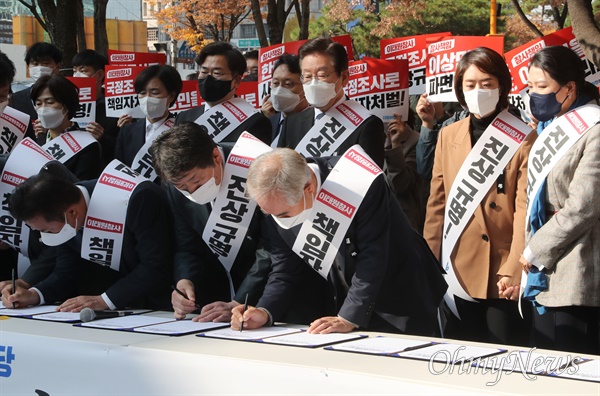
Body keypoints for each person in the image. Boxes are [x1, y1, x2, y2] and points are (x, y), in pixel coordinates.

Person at [231, 148, 447, 335]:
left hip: (400, 293)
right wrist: (265, 311)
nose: (278, 220)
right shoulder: (276, 202)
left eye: (285, 214)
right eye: (269, 213)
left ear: (309, 190)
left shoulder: (357, 181)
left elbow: (374, 254)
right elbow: (285, 268)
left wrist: (349, 317)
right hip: (347, 297)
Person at [423, 47, 535, 346]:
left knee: (504, 358)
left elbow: (524, 209)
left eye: (486, 84)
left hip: (503, 270)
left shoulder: (523, 136)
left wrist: (514, 268)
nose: (478, 91)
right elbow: (437, 204)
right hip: (457, 266)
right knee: (459, 354)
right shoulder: (448, 134)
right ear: (459, 88)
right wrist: (429, 262)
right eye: (470, 85)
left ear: (502, 86)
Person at [519, 46, 600, 355]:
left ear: (569, 88)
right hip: (541, 271)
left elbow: (583, 207)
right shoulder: (546, 128)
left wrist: (536, 249)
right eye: (530, 87)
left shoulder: (593, 130)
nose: (534, 95)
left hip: (574, 271)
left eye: (542, 87)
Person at [2, 167, 174, 311]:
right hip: (124, 308)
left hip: (167, 301)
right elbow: (66, 270)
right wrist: (34, 294)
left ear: (71, 213)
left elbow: (155, 264)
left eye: (47, 230)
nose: (44, 236)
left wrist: (104, 300)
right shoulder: (64, 209)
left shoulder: (136, 198)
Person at [150, 122, 271, 321]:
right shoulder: (176, 188)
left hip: (267, 295)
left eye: (197, 181)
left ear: (216, 157)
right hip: (217, 300)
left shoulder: (257, 166)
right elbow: (187, 245)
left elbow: (271, 247)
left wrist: (240, 300)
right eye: (182, 186)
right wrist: (184, 281)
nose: (192, 191)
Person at [276, 37, 385, 168]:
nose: (313, 83)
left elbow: (368, 181)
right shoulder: (292, 123)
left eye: (321, 75)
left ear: (343, 77)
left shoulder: (366, 124)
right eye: (307, 77)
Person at [175, 42, 271, 144]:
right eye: (204, 72)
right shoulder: (184, 117)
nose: (208, 78)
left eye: (217, 73)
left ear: (237, 81)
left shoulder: (255, 122)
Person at [114, 64, 182, 178]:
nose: (147, 98)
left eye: (154, 93)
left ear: (171, 96)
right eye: (142, 93)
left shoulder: (180, 131)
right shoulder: (127, 131)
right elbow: (120, 169)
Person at [31, 74, 103, 180]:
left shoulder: (86, 145)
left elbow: (83, 185)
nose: (43, 109)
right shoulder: (39, 140)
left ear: (66, 106)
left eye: (50, 102)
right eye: (38, 103)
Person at [71, 49, 120, 166]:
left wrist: (102, 137)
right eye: (74, 71)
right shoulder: (68, 104)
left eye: (83, 71)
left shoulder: (115, 106)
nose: (77, 75)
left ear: (99, 74)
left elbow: (123, 146)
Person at [11, 42, 62, 140]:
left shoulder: (66, 96)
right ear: (28, 68)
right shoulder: (15, 99)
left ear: (58, 67)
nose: (40, 67)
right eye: (35, 63)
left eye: (45, 63)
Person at [385, 113, 425, 233]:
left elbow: (400, 185)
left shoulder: (416, 141)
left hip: (402, 223)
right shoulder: (372, 136)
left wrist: (395, 144)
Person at [260, 54, 309, 143]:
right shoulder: (268, 122)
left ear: (305, 85)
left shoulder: (315, 122)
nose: (279, 90)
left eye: (288, 84)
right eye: (275, 83)